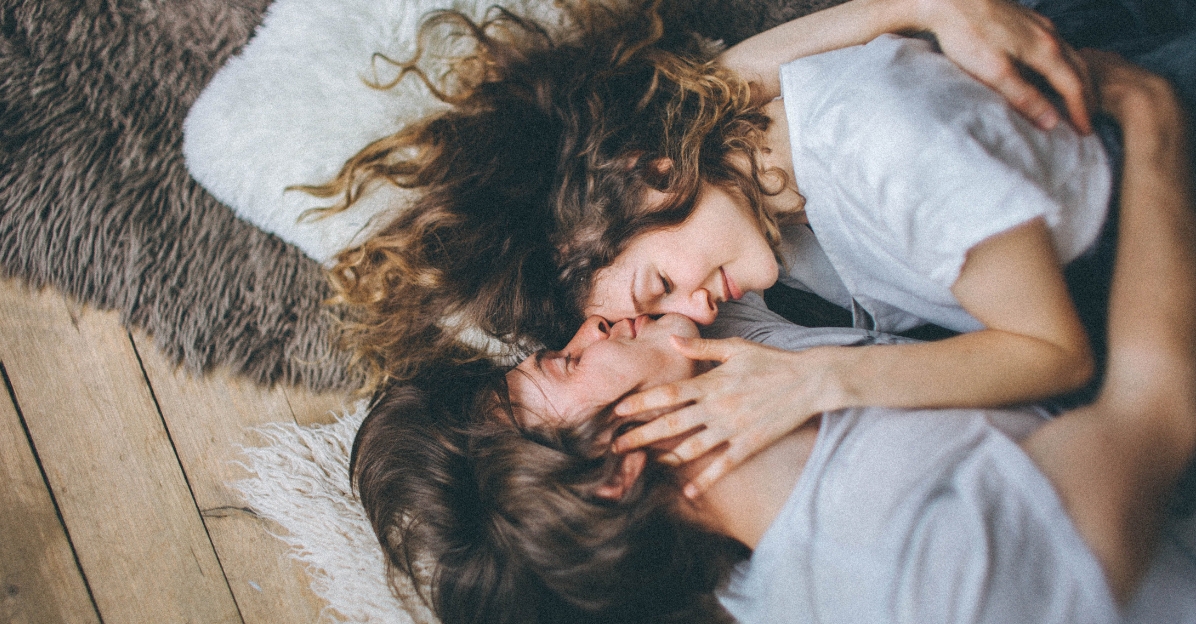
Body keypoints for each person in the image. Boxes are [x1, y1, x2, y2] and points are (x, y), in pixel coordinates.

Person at [351, 49, 1196, 623]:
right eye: (567, 361)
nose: (590, 328)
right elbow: (1160, 406)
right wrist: (1155, 121)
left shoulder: (717, 371)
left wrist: (915, 8)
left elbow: (685, 119)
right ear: (617, 469)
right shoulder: (928, 581)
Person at [306, 0, 1098, 388]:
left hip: (1117, 251)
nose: (689, 311)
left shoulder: (884, 140)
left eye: (660, 286)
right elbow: (702, 90)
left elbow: (1058, 357)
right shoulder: (739, 159)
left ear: (654, 174)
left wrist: (814, 387)